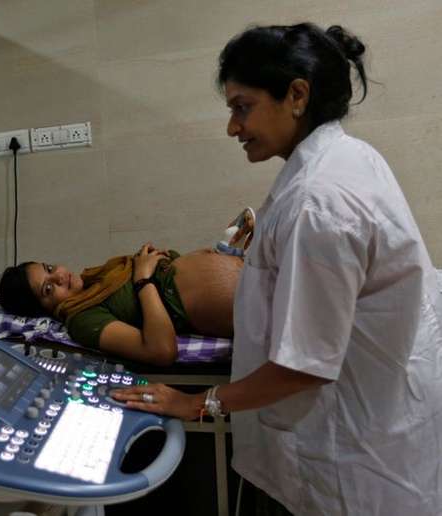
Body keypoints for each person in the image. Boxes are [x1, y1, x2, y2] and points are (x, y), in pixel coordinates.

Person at [112, 23, 442, 515]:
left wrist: (197, 404)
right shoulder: (345, 159)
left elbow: (303, 365)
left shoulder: (319, 202)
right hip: (383, 414)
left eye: (241, 107)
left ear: (297, 95)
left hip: (353, 451)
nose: (232, 127)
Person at [0, 245, 243, 366]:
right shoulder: (82, 319)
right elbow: (161, 351)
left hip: (253, 273)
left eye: (50, 269)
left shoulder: (96, 279)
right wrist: (143, 278)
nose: (60, 276)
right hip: (250, 302)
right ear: (44, 310)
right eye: (49, 289)